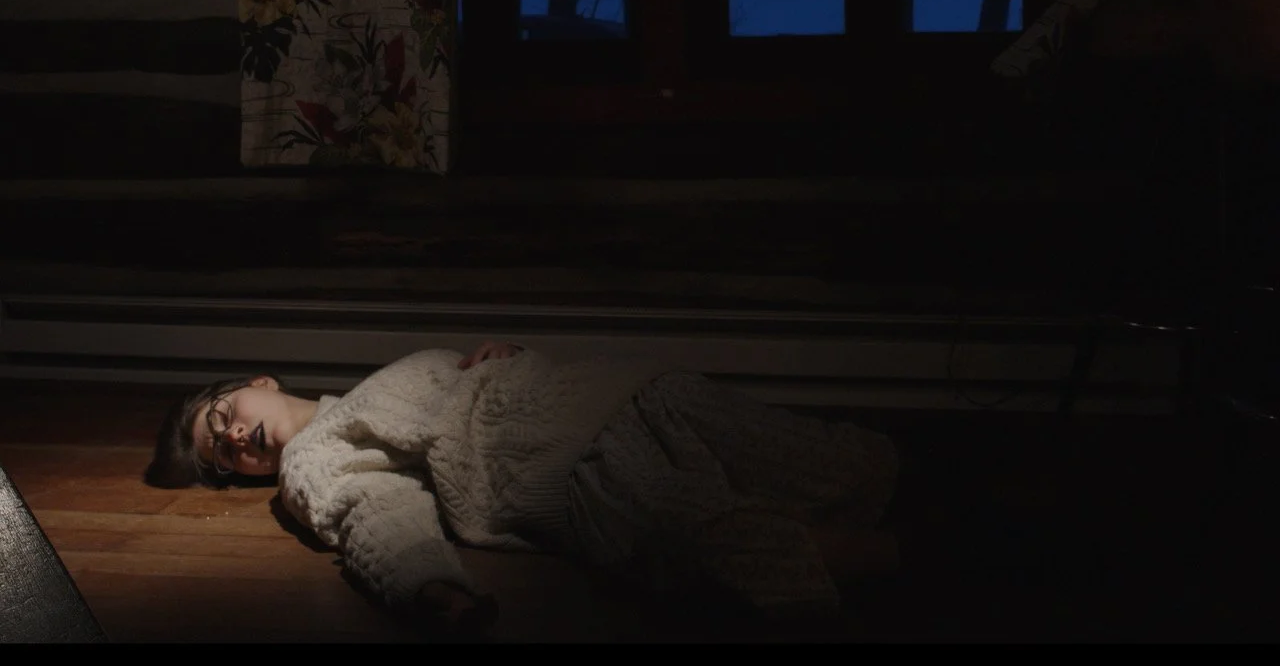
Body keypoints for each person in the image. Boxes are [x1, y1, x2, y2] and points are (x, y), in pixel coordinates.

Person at [144, 340, 903, 636]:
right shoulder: (312, 464)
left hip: (619, 390)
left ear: (257, 382)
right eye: (223, 457)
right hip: (571, 472)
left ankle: (949, 531)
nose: (236, 440)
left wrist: (485, 358)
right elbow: (375, 518)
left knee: (839, 463)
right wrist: (431, 588)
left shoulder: (380, 385)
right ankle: (931, 564)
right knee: (717, 535)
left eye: (224, 418)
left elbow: (463, 377)